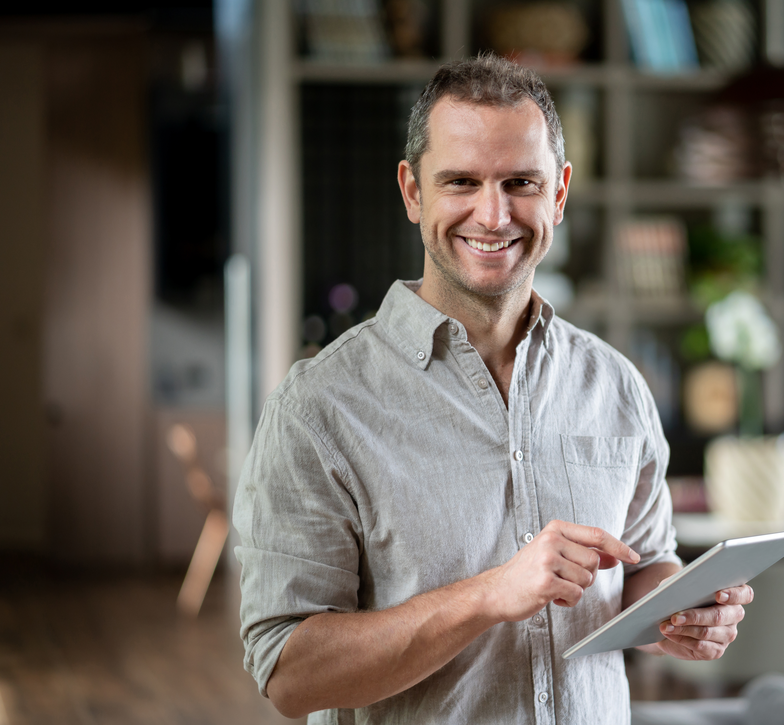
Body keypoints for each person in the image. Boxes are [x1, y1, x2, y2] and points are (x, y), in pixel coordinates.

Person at [234, 54, 753, 724]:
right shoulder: (318, 407)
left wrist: (682, 602)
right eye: (460, 181)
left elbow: (644, 563)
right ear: (412, 191)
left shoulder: (615, 384)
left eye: (520, 182)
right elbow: (288, 673)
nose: (492, 213)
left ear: (559, 193)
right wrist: (489, 595)